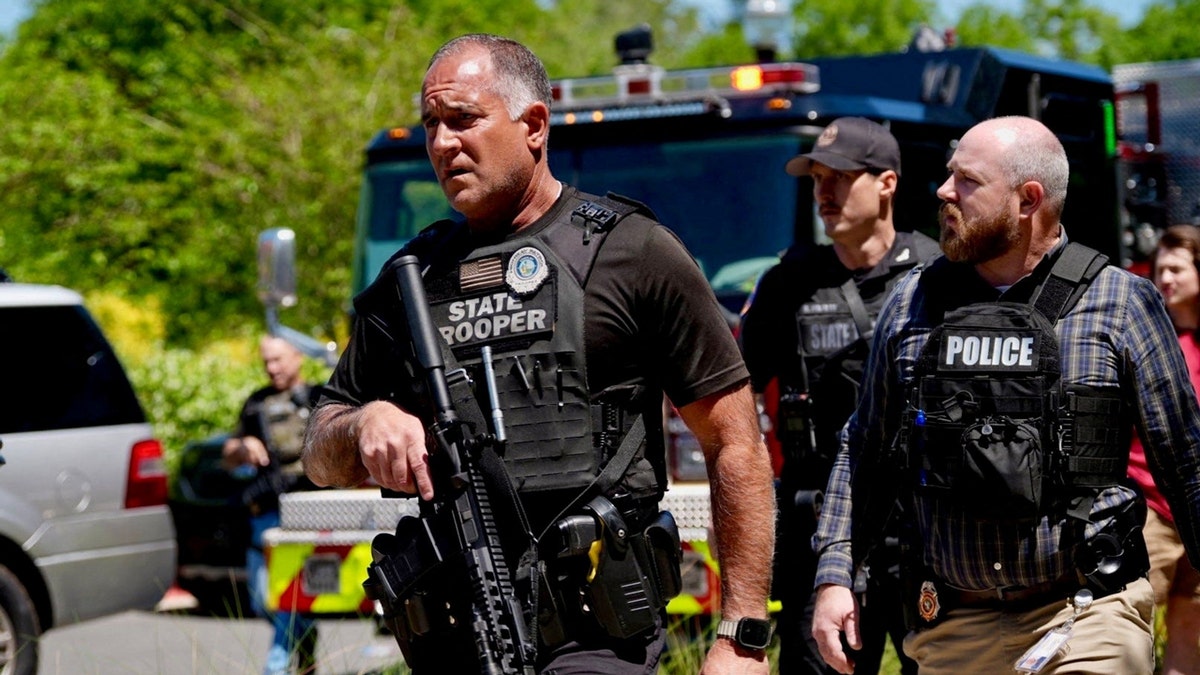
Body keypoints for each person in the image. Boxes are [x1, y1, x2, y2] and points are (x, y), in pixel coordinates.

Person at [301, 34, 775, 675]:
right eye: (432, 124)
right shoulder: (411, 281)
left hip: (598, 635)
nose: (442, 143)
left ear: (533, 125)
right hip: (461, 636)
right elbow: (318, 453)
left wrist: (742, 636)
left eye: (463, 118)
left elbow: (735, 443)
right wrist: (364, 423)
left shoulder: (633, 252)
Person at [810, 115, 1200, 674]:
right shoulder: (912, 302)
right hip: (952, 622)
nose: (944, 191)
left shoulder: (1120, 302)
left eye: (967, 180)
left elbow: (1186, 460)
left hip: (1087, 614)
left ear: (1028, 200)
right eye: (949, 174)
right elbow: (864, 448)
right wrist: (834, 576)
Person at [739, 117, 936, 675]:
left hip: (923, 529)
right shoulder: (788, 283)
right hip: (820, 525)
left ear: (887, 183)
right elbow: (735, 395)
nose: (824, 193)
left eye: (842, 177)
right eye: (817, 179)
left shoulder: (937, 276)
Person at [223, 335, 322, 675]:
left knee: (287, 597)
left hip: (311, 511)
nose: (271, 367)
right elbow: (228, 454)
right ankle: (306, 640)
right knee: (262, 598)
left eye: (278, 359)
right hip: (267, 511)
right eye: (266, 361)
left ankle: (276, 668)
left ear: (298, 357)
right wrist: (243, 446)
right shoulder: (257, 403)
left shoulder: (318, 396)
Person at [1134, 224, 1200, 674]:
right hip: (1149, 504)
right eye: (1160, 270)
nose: (1165, 279)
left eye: (1176, 269)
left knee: (1190, 621)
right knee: (1128, 616)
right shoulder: (1148, 334)